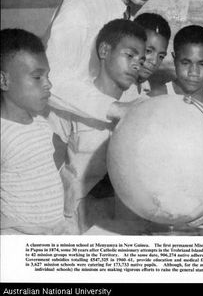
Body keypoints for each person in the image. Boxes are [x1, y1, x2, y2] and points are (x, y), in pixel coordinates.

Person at [45, 0, 171, 122]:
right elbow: (52, 81)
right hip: (62, 128)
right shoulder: (81, 5)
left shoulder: (126, 5)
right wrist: (116, 109)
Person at [48, 19, 146, 233]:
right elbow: (52, 161)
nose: (137, 64)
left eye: (141, 59)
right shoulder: (72, 100)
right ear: (104, 50)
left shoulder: (141, 106)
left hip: (124, 215)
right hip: (75, 218)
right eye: (129, 55)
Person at [0, 29, 66, 235]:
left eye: (47, 76)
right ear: (3, 81)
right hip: (18, 234)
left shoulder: (41, 123)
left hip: (55, 230)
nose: (49, 84)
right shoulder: (3, 133)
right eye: (37, 77)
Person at [150, 25, 203, 115]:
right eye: (186, 63)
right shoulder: (155, 98)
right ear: (174, 59)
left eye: (202, 64)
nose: (194, 72)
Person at [133, 12, 171, 96]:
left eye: (161, 56)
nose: (154, 62)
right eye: (148, 51)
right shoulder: (116, 89)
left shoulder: (145, 87)